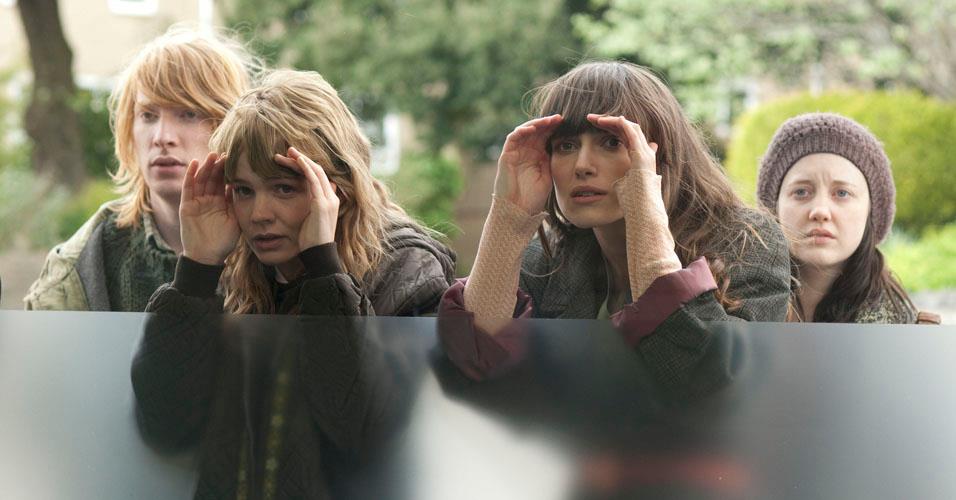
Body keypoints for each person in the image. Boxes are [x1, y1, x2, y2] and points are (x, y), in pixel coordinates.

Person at [132, 69, 456, 498]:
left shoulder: (406, 270)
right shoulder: (235, 268)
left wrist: (324, 270)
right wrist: (197, 270)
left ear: (337, 188)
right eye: (243, 190)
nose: (259, 213)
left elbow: (362, 434)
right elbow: (166, 429)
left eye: (284, 188)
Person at [439, 61, 791, 382]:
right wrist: (509, 217)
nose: (582, 165)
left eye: (610, 142)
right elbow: (471, 359)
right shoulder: (550, 260)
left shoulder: (750, 242)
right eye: (565, 146)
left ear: (661, 154)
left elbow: (709, 378)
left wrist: (643, 209)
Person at [24, 24, 257, 311]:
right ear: (129, 128)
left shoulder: (269, 238)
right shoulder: (88, 260)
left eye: (188, 113)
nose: (162, 137)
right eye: (148, 115)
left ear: (230, 124)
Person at [757, 112, 939, 324]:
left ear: (870, 210)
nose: (820, 211)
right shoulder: (732, 308)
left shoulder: (906, 332)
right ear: (774, 208)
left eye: (842, 193)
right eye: (801, 192)